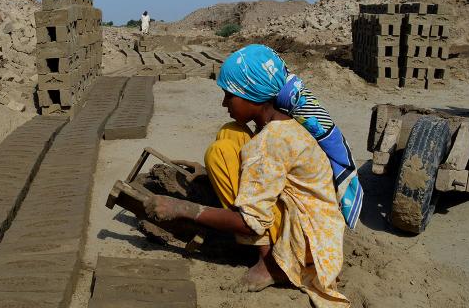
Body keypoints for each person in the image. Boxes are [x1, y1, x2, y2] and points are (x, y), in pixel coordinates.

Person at [144, 44, 362, 307]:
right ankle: (270, 256)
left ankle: (272, 264)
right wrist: (206, 173)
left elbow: (251, 222)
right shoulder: (276, 121)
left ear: (252, 96)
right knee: (229, 135)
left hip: (308, 242)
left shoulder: (270, 142)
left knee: (221, 153)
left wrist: (182, 208)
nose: (224, 103)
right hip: (313, 219)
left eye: (229, 95)